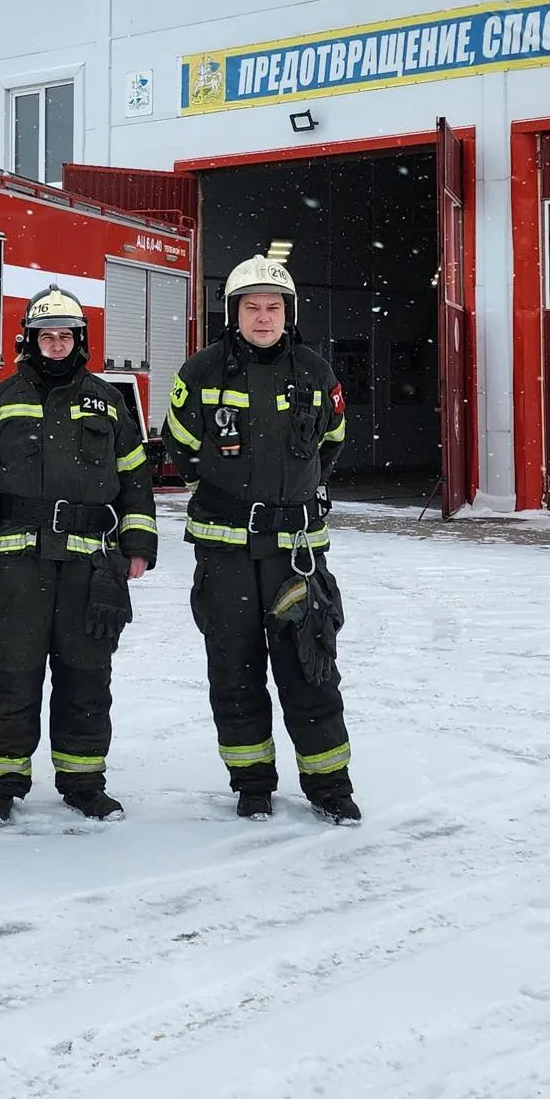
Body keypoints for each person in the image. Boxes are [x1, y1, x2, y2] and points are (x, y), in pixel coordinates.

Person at [0, 285, 158, 825]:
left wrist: (139, 543)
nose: (57, 344)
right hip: (16, 565)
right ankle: (0, 784)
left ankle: (84, 782)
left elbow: (135, 478)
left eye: (66, 336)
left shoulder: (107, 401)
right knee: (9, 675)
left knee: (87, 676)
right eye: (47, 336)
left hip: (90, 566)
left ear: (79, 341)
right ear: (29, 341)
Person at [163, 255, 359, 824]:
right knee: (235, 672)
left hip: (295, 555)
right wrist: (222, 495)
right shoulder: (201, 373)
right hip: (224, 553)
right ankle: (252, 784)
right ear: (234, 313)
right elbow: (180, 444)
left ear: (288, 312)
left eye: (274, 307)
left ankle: (329, 786)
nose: (264, 317)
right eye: (252, 307)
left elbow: (332, 441)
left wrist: (298, 492)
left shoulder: (317, 372)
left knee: (309, 668)